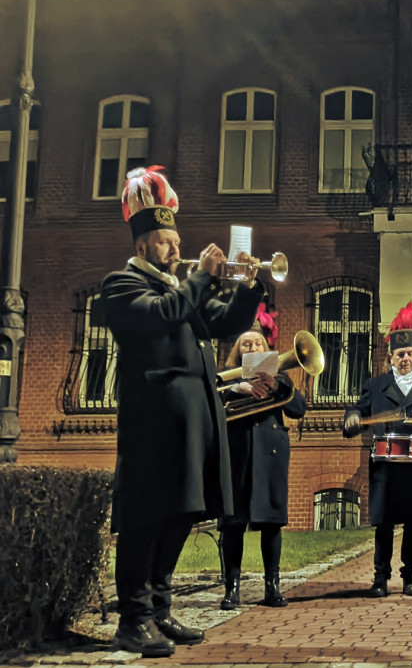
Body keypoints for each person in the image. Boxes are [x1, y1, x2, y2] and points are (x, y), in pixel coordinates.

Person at [102, 166, 265, 657]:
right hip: (153, 429)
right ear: (142, 245)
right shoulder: (123, 285)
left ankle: (159, 608)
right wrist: (197, 279)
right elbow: (161, 317)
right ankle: (133, 618)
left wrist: (249, 287)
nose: (176, 248)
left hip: (193, 425)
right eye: (166, 240)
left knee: (181, 514)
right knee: (146, 519)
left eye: (176, 239)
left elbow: (226, 323)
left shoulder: (181, 291)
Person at [342, 302, 412, 597]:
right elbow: (357, 410)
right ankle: (380, 578)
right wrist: (352, 418)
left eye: (409, 354)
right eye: (399, 354)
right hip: (386, 464)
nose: (405, 359)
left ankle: (410, 577)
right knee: (384, 523)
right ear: (391, 357)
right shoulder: (375, 385)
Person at [218, 311, 307, 610]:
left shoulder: (280, 377)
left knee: (272, 523)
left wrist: (278, 387)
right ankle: (231, 588)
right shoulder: (224, 379)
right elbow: (210, 403)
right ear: (237, 352)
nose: (253, 349)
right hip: (237, 454)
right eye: (246, 345)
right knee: (233, 523)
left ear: (266, 349)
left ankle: (272, 586)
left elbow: (298, 409)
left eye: (258, 344)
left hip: (270, 456)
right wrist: (238, 388)